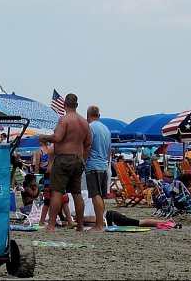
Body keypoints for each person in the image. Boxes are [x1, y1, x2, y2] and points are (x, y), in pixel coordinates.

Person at [38, 93, 91, 232]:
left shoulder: (64, 119)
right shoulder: (84, 122)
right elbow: (88, 144)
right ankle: (79, 226)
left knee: (56, 192)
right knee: (76, 193)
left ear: (64, 104)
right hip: (78, 159)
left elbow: (57, 137)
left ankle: (50, 226)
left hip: (63, 159)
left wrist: (43, 136)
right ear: (77, 105)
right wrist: (83, 160)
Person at [84, 104, 112, 232]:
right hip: (103, 165)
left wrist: (83, 160)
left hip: (93, 164)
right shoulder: (106, 129)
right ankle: (102, 222)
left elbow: (88, 146)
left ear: (87, 115)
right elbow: (109, 151)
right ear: (99, 116)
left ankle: (99, 224)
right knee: (101, 195)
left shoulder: (90, 128)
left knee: (95, 195)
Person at [104, 209, 177, 228]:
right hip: (111, 216)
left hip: (112, 217)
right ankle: (165, 221)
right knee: (140, 223)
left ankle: (166, 221)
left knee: (140, 223)